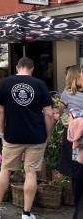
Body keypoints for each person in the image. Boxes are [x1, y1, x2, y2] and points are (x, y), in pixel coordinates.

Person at [0, 57, 53, 219]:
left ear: (17, 67)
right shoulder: (40, 85)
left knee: (6, 170)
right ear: (32, 68)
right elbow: (49, 114)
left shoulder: (5, 83)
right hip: (36, 136)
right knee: (31, 173)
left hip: (12, 135)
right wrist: (47, 135)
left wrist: (2, 132)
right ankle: (26, 213)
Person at [59, 65, 83, 219]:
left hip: (74, 139)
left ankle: (78, 205)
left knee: (76, 171)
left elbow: (61, 114)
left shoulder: (66, 94)